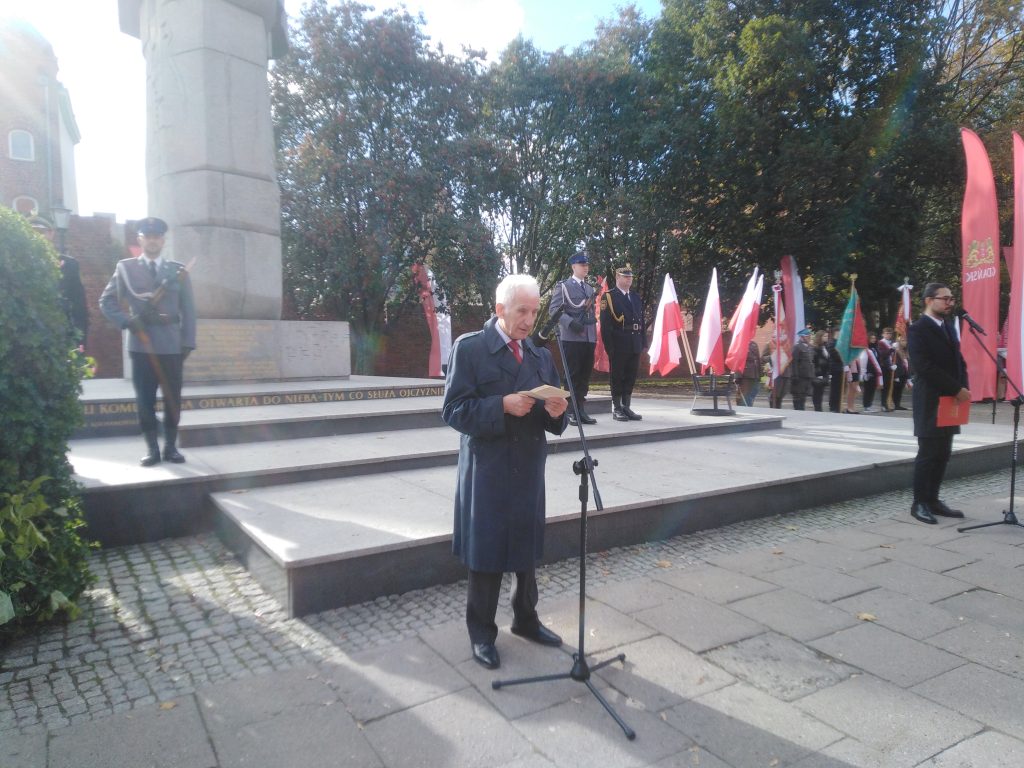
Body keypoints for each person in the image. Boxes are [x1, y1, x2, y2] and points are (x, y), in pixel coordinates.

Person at [441, 274, 569, 670]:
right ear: (500, 310)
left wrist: (557, 413)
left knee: (525, 550)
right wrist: (500, 405)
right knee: (487, 552)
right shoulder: (470, 348)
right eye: (521, 311)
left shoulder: (539, 356)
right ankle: (482, 633)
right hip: (488, 469)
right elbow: (453, 410)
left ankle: (526, 619)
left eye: (534, 312)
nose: (529, 320)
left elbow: (555, 419)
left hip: (527, 466)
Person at [100, 217, 196, 466]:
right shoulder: (126, 268)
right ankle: (152, 449)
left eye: (157, 237)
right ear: (140, 240)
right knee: (145, 400)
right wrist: (127, 322)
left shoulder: (177, 270)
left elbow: (188, 309)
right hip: (141, 344)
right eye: (148, 237)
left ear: (163, 240)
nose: (152, 241)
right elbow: (106, 301)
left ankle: (171, 447)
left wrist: (188, 341)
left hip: (171, 345)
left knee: (172, 399)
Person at [907, 282, 970, 524]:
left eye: (951, 299)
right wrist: (956, 388)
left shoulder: (949, 326)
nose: (950, 303)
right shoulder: (917, 329)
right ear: (928, 300)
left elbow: (959, 360)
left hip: (951, 399)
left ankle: (933, 499)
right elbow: (924, 367)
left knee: (944, 452)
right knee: (928, 453)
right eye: (945, 298)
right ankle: (919, 503)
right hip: (930, 399)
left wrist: (964, 387)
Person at [549, 249, 597, 425]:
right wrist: (570, 323)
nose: (585, 268)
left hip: (589, 338)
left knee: (584, 375)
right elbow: (554, 310)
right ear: (573, 266)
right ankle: (571, 410)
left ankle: (581, 409)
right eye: (582, 265)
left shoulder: (590, 288)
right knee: (572, 375)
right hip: (572, 337)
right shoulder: (564, 286)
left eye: (587, 265)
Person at [30, 216, 89, 348]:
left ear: (51, 233)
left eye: (41, 232)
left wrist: (80, 340)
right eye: (32, 231)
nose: (36, 236)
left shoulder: (70, 264)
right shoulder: (18, 263)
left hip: (60, 334)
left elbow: (78, 304)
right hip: (28, 336)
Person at [600, 264, 646, 421]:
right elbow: (605, 325)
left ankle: (626, 406)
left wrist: (642, 342)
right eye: (626, 277)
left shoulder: (635, 296)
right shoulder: (609, 297)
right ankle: (617, 408)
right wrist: (609, 347)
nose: (629, 280)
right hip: (619, 342)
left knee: (631, 375)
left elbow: (641, 321)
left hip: (634, 342)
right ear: (617, 277)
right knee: (617, 376)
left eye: (630, 277)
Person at [790, 328, 815, 410]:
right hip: (800, 377)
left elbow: (811, 362)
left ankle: (801, 410)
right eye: (807, 336)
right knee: (798, 396)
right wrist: (795, 376)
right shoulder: (797, 347)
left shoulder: (810, 347)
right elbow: (794, 363)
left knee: (803, 397)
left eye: (809, 336)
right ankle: (798, 411)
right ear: (802, 337)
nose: (809, 338)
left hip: (807, 376)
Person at [735, 339, 762, 406]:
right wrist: (737, 377)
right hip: (745, 375)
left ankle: (748, 409)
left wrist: (760, 374)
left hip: (755, 374)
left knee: (752, 393)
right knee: (744, 396)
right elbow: (738, 361)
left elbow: (758, 360)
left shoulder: (753, 344)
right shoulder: (739, 343)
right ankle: (744, 410)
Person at [811, 330, 830, 412]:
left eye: (827, 336)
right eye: (824, 336)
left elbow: (827, 359)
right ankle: (817, 409)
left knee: (821, 393)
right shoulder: (815, 348)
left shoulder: (826, 347)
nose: (826, 338)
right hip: (818, 374)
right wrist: (817, 373)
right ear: (820, 337)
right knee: (817, 394)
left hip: (824, 373)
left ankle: (819, 408)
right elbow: (814, 362)